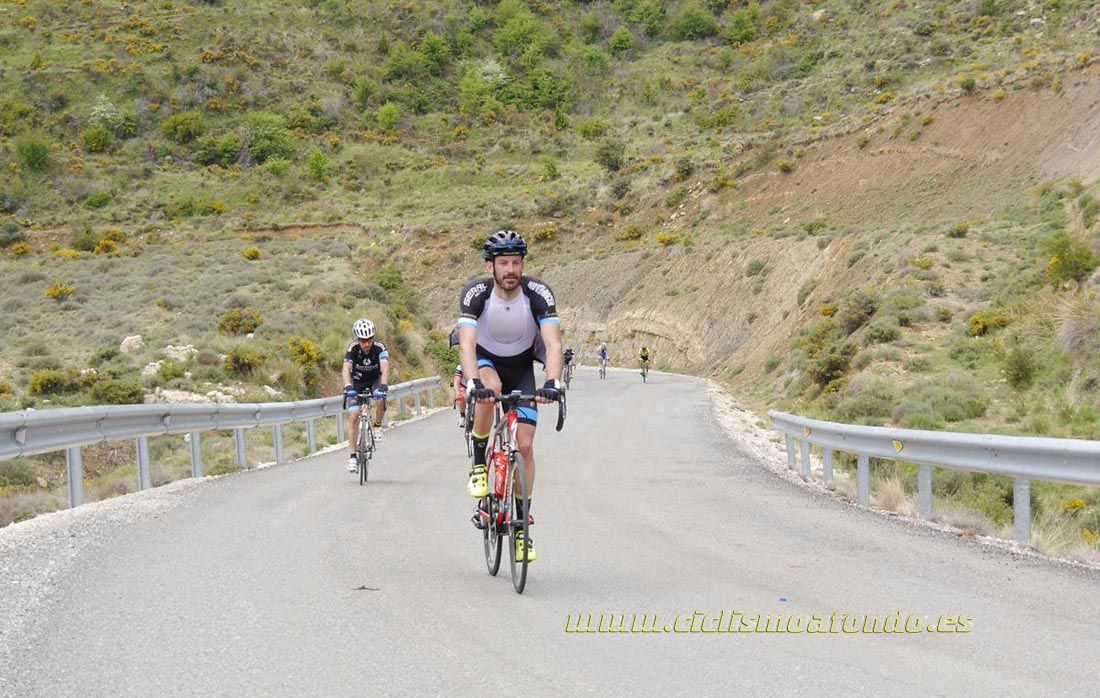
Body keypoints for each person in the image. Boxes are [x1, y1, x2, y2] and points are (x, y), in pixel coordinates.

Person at [457, 229, 563, 563]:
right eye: (503, 263)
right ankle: (478, 462)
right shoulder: (476, 293)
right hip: (486, 359)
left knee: (526, 446)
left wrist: (553, 382)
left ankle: (521, 527)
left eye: (516, 262)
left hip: (521, 365)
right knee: (492, 391)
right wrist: (473, 381)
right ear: (490, 266)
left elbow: (553, 342)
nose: (511, 269)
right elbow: (467, 343)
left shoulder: (538, 292)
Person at [342, 318, 390, 472]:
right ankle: (352, 457)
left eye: (369, 339)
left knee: (379, 398)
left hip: (375, 380)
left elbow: (385, 367)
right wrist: (348, 386)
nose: (367, 343)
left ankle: (377, 426)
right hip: (357, 381)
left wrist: (383, 386)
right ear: (358, 339)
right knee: (354, 416)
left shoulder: (380, 347)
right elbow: (345, 369)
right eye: (363, 340)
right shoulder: (353, 348)